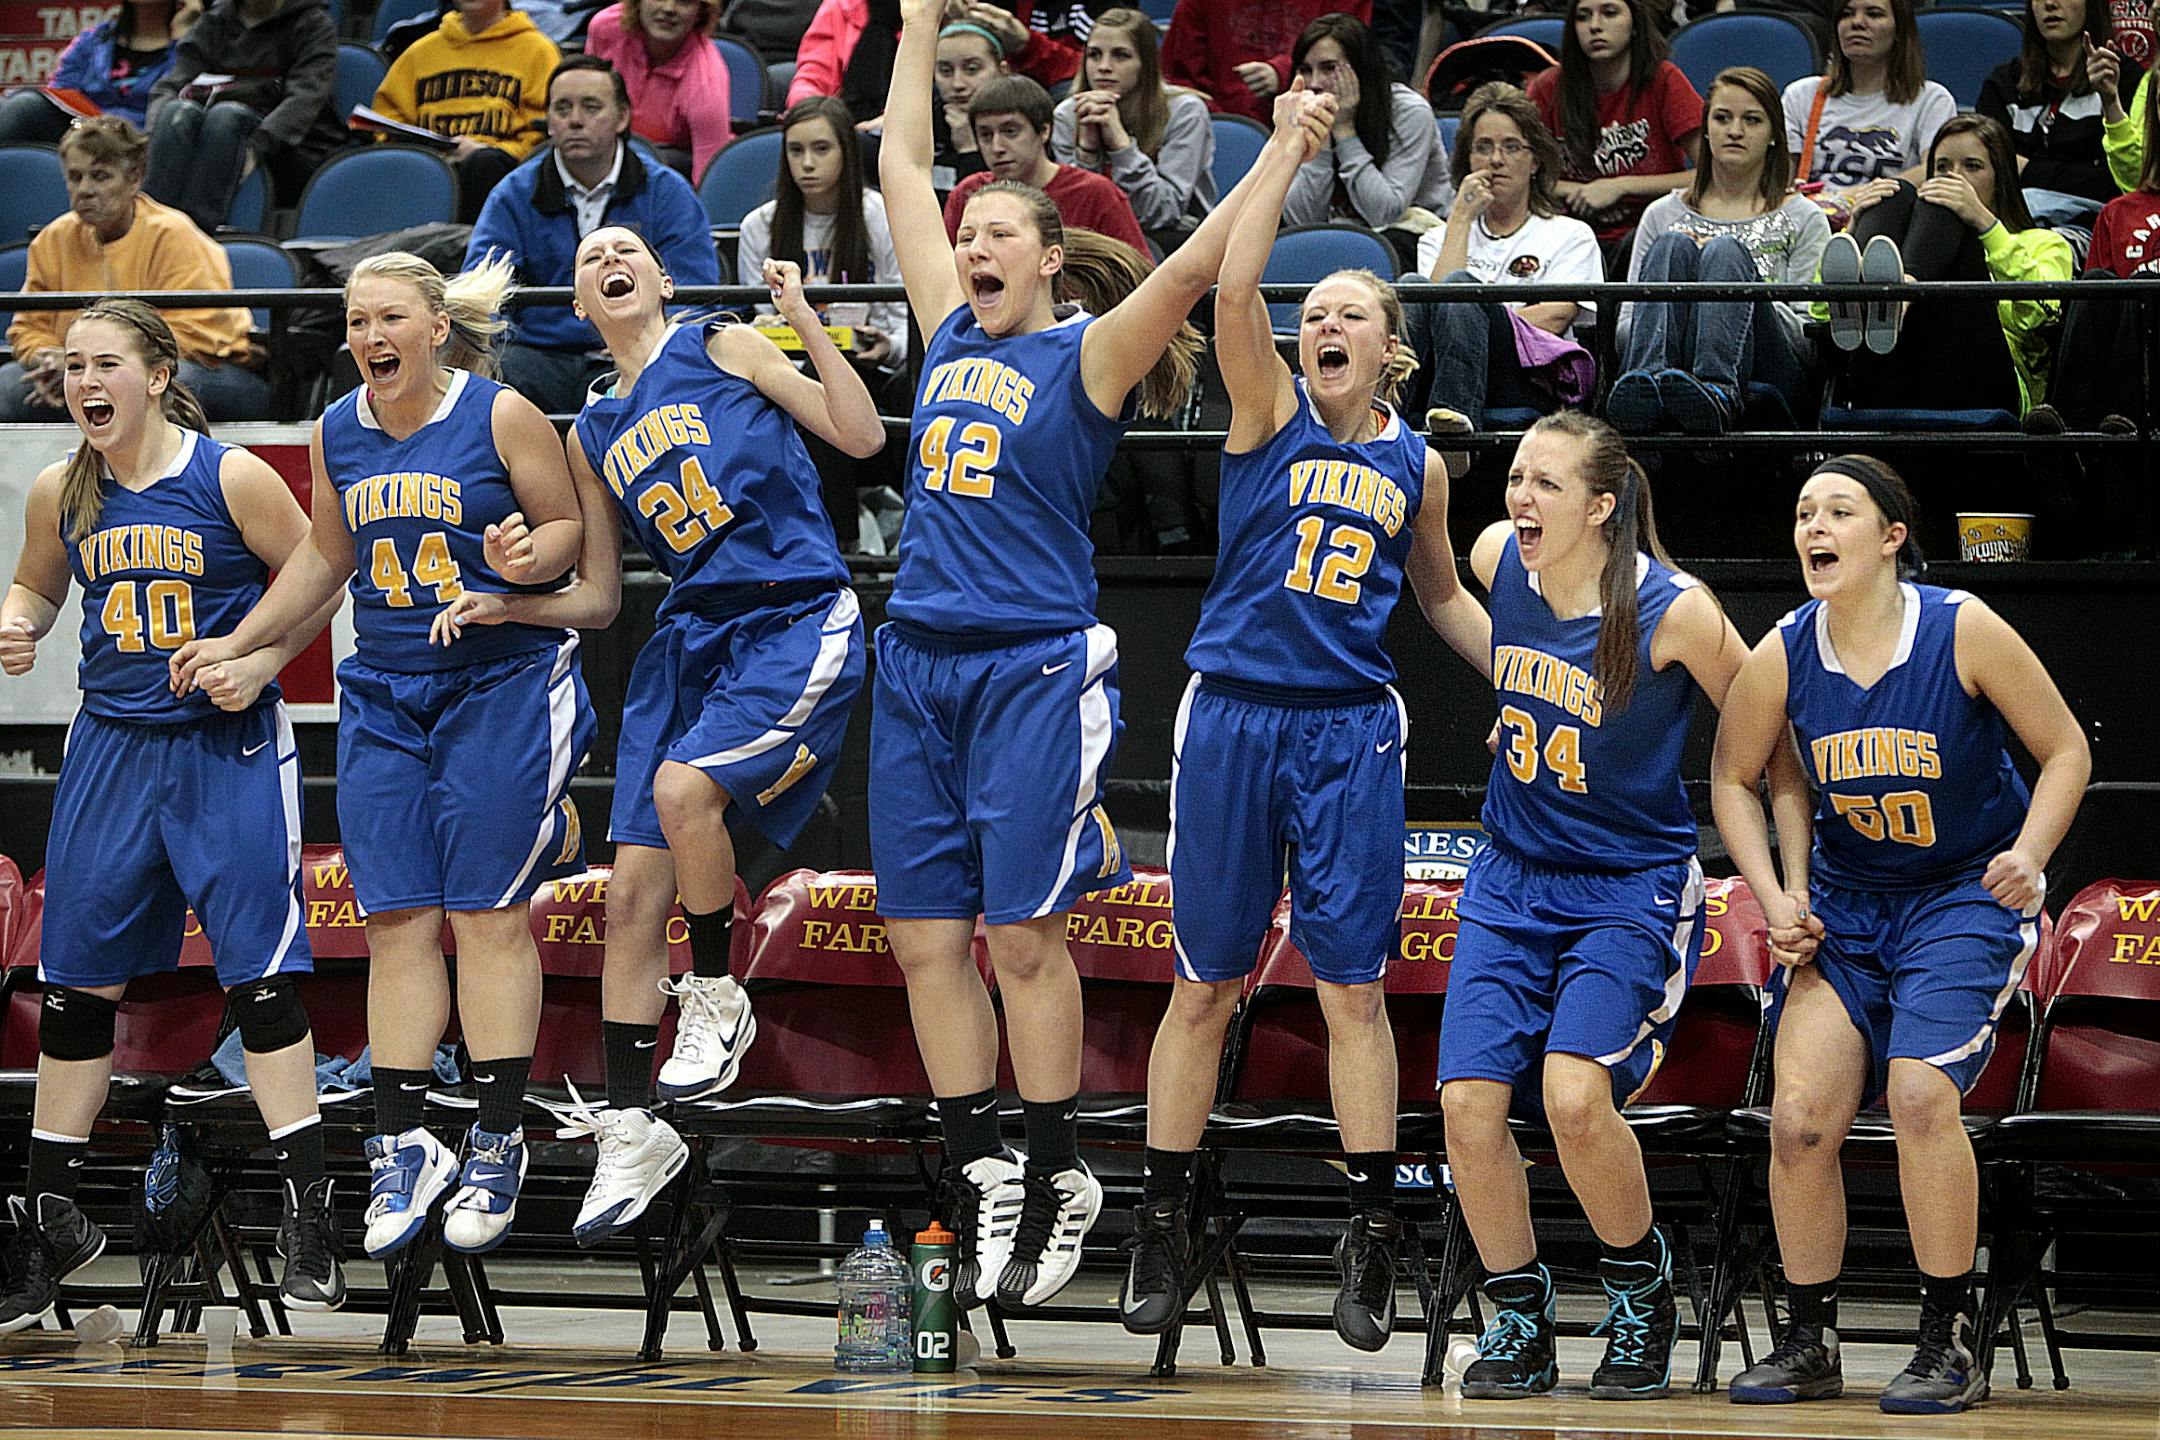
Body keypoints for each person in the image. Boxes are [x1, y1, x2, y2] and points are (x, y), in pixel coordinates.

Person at [877, 0, 1290, 1313]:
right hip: (917, 665)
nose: (970, 241)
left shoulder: (1084, 355)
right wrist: (919, 21)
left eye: (997, 230)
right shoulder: (947, 332)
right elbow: (895, 165)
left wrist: (1283, 145)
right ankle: (979, 1157)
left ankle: (1057, 1164)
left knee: (1020, 934)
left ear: (1054, 256)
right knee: (923, 937)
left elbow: (1192, 270)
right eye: (966, 232)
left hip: (1030, 672)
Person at [1117, 92, 1493, 1351]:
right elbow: (1231, 295)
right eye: (1313, 310)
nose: (1322, 320)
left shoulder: (1418, 466)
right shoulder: (1264, 413)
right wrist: (1281, 150)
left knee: (1353, 995)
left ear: (1391, 351)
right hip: (1231, 719)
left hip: (1348, 733)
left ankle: (1371, 1236)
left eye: (1350, 313)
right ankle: (1159, 1225)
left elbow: (1441, 598)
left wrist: (1540, 681)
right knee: (1206, 987)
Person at [430, 234, 881, 1243]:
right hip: (687, 636)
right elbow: (594, 598)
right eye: (591, 260)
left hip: (790, 608)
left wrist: (800, 321)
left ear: (662, 280)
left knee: (686, 795)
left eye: (627, 249)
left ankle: (718, 989)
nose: (610, 260)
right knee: (630, 894)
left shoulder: (721, 344)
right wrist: (507, 597)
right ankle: (634, 1127)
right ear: (582, 305)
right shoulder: (592, 426)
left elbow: (855, 436)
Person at [172, 252, 596, 1262]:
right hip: (385, 695)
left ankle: (497, 1137)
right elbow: (326, 557)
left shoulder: (501, 417)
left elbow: (569, 532)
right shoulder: (335, 428)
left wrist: (527, 560)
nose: (369, 337)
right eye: (357, 320)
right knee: (396, 918)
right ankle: (403, 1140)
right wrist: (244, 640)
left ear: (437, 327)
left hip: (500, 682)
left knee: (486, 914)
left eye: (388, 318)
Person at [1711, 455, 2089, 1415]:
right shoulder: (1785, 650)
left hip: (1961, 896)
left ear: (1890, 536)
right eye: (1803, 513)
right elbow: (1732, 778)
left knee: (1920, 1095)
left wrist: (2034, 855)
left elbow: (2066, 750)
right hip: (1849, 905)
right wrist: (1777, 894)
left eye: (1839, 510)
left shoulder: (1962, 628)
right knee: (1798, 1121)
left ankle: (1947, 1337)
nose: (1813, 527)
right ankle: (1809, 1339)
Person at [0, 299, 345, 1332]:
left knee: (259, 967)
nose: (84, 383)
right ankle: (48, 1216)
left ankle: (311, 1208)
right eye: (69, 369)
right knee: (75, 978)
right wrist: (17, 623)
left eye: (104, 364)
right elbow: (36, 590)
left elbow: (321, 580)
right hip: (110, 744)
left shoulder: (229, 475)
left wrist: (259, 658)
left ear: (155, 374)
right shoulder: (63, 487)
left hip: (221, 746)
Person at [1440, 411, 1787, 1402]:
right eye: (1516, 475)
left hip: (1626, 887)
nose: (1519, 497)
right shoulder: (1500, 555)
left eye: (1546, 483)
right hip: (1510, 875)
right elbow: (1473, 618)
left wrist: (1786, 855)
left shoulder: (1673, 608)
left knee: (1574, 1099)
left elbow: (1769, 728)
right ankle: (1518, 1317)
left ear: (1602, 505)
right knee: (1467, 1109)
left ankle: (1642, 1292)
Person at [466, 55, 721, 416]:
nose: (574, 120)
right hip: (539, 358)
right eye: (562, 108)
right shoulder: (512, 195)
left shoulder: (667, 192)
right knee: (489, 378)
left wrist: (646, 342)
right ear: (549, 122)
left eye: (590, 107)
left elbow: (695, 293)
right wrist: (499, 344)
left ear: (622, 118)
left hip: (639, 352)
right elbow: (481, 290)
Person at [1605, 67, 1831, 436]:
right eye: (1722, 118)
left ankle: (1716, 393)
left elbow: (1809, 342)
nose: (1735, 131)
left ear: (1774, 134)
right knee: (1673, 245)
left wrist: (1740, 288)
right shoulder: (1662, 214)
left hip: (1770, 365)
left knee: (1725, 254)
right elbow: (1624, 330)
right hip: (1663, 363)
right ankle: (1645, 389)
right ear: (1706, 128)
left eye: (1752, 120)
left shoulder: (1804, 216)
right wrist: (1687, 316)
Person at [1, 117, 270, 423]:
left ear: (134, 179)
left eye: (100, 176)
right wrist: (48, 359)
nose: (85, 189)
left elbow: (199, 336)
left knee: (156, 388)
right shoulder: (53, 239)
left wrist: (90, 363)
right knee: (7, 388)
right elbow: (27, 328)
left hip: (203, 370)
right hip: (81, 373)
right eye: (75, 177)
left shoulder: (174, 234)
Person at [1818, 114, 2074, 418]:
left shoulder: (2044, 242)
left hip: (1985, 384)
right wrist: (1855, 225)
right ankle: (1870, 300)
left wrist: (1985, 225)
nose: (1954, 177)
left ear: (2001, 176)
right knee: (1894, 194)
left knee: (1946, 211)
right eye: (1942, 167)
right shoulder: (1900, 242)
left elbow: (2039, 315)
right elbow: (1821, 313)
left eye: (1972, 166)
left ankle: (1901, 293)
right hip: (1886, 372)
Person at [738, 94, 906, 547]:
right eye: (795, 151)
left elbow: (904, 322)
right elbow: (758, 323)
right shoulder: (760, 226)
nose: (807, 163)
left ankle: (845, 543)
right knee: (808, 385)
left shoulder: (880, 217)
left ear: (846, 153)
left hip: (870, 372)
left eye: (821, 149)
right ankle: (830, 543)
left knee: (831, 384)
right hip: (789, 375)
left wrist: (888, 346)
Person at [1407, 84, 1601, 430]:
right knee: (1411, 287)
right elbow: (1431, 314)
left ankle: (1456, 429)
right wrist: (1462, 220)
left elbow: (1557, 315)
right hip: (1445, 367)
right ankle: (1385, 426)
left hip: (1527, 376)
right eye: (1483, 147)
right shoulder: (1438, 238)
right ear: (1467, 159)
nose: (1495, 160)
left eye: (1511, 147)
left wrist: (1474, 317)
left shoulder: (1570, 234)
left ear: (1535, 161)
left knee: (1461, 289)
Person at [142, 0, 343, 233]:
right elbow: (170, 86)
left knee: (225, 117)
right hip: (217, 135)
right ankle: (148, 229)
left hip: (289, 148)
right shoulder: (215, 21)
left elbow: (306, 99)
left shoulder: (313, 23)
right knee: (175, 113)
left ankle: (198, 232)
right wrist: (150, 135)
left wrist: (258, 145)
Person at [1527, 0, 1701, 266]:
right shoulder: (1547, 88)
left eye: (1609, 13)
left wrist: (1621, 186)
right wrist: (1579, 190)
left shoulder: (1664, 80)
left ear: (1634, 25)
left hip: (1649, 232)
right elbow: (1516, 176)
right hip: (1567, 237)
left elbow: (1711, 175)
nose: (1595, 26)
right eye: (1583, 17)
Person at [2031, 82, 2160, 433]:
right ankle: (2068, 443)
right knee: (2097, 283)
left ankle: (2121, 440)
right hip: (2121, 377)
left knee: (2147, 286)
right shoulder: (2118, 214)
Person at [1279, 12, 1452, 267]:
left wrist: (1345, 130)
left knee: (1388, 244)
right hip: (1336, 237)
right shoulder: (1302, 111)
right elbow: (1302, 221)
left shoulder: (1409, 111)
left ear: (1360, 68)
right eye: (1306, 70)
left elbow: (1384, 212)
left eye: (1328, 68)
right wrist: (1322, 139)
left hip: (1412, 239)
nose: (1314, 83)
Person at [368, 0, 562, 223]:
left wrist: (489, 149)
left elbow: (543, 131)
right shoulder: (420, 52)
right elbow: (388, 119)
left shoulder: (538, 51)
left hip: (496, 169)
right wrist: (434, 154)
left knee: (484, 163)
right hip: (431, 165)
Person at [1051, 8, 1217, 255]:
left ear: (1145, 63)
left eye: (1120, 56)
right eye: (1094, 55)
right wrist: (1086, 153)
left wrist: (1121, 146)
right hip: (1093, 246)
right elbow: (1077, 215)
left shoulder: (1185, 112)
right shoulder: (1068, 115)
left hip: (1173, 244)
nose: (1104, 67)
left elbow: (1163, 212)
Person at [941, 74, 1150, 253]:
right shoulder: (968, 194)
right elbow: (943, 278)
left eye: (1010, 132)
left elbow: (1138, 273)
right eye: (986, 135)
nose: (997, 147)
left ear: (1044, 131)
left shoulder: (1095, 193)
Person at [1782, 0, 1954, 198]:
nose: (1857, 23)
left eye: (1873, 14)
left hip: (1886, 216)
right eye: (1846, 14)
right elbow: (1779, 177)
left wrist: (1853, 196)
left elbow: (1935, 171)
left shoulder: (1931, 100)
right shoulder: (1801, 95)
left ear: (1900, 30)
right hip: (1812, 218)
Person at [1977, 0, 2120, 215]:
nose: (2050, 4)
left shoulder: (2121, 80)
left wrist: (2027, 169)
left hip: (2090, 223)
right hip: (2009, 218)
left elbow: (2116, 182)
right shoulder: (2004, 82)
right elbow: (1986, 169)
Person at [0, 0, 197, 143]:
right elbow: (60, 94)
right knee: (21, 105)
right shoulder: (93, 40)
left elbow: (188, 102)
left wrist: (192, 30)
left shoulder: (190, 49)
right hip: (83, 132)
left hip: (145, 141)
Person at [582, 0, 734, 180]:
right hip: (605, 155)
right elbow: (585, 106)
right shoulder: (605, 27)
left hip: (668, 174)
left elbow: (709, 183)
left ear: (701, 13)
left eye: (684, 2)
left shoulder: (707, 83)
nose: (669, 8)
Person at [1159, 0, 1370, 125]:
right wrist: (1224, 125)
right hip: (1217, 132)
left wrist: (1286, 73)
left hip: (1317, 123)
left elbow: (1353, 55)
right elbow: (1177, 77)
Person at [932, 19, 1010, 193]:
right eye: (945, 71)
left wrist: (969, 149)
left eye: (972, 69)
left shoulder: (1023, 124)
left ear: (1002, 71)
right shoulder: (921, 123)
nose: (957, 84)